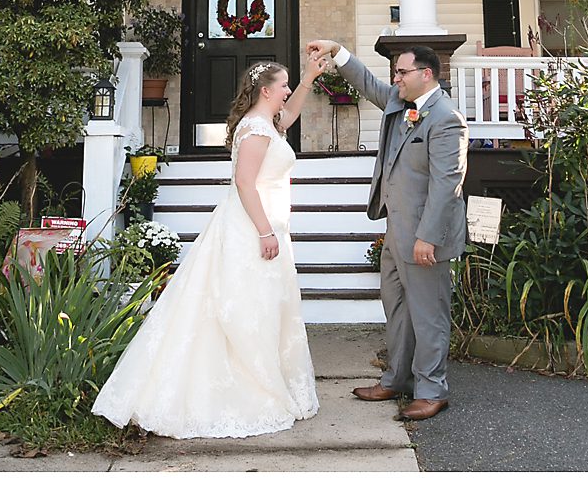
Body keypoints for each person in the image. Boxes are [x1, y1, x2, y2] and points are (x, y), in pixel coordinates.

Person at [92, 53, 323, 438]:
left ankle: (265, 377)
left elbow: (291, 114)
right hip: (252, 230)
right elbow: (245, 183)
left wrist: (308, 79)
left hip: (267, 226)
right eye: (283, 85)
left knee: (262, 308)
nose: (287, 91)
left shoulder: (268, 122)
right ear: (266, 91)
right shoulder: (256, 129)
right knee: (245, 309)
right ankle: (247, 387)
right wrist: (265, 232)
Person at [306, 39, 467, 421]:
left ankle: (432, 390)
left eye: (401, 72)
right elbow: (367, 84)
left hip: (425, 237)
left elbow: (447, 183)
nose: (395, 79)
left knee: (428, 316)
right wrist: (337, 51)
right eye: (395, 72)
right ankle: (396, 379)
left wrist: (428, 237)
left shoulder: (446, 118)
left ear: (426, 74)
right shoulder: (399, 102)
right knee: (397, 310)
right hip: (396, 232)